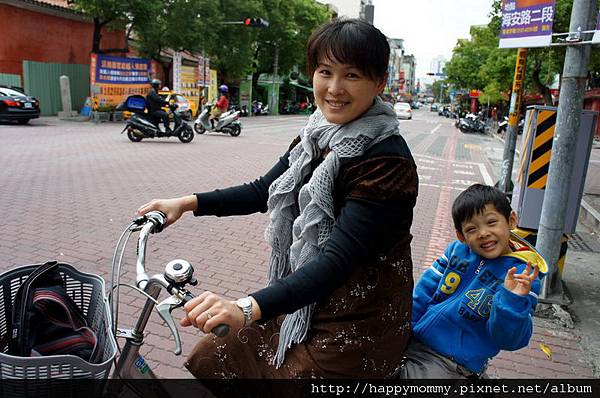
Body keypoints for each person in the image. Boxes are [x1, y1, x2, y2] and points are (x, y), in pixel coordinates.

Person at [137, 18, 418, 378]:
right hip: (307, 301)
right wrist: (187, 203)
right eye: (325, 72)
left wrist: (246, 308)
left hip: (358, 319)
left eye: (351, 76)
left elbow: (337, 260)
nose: (334, 88)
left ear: (379, 82)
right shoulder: (318, 134)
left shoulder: (387, 162)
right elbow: (265, 190)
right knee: (214, 352)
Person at [398, 184, 546, 379]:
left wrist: (512, 299)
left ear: (511, 220)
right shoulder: (456, 252)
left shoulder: (524, 275)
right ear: (461, 236)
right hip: (417, 341)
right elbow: (423, 293)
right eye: (472, 229)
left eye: (491, 222)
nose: (483, 233)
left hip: (453, 362)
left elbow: (509, 340)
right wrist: (403, 333)